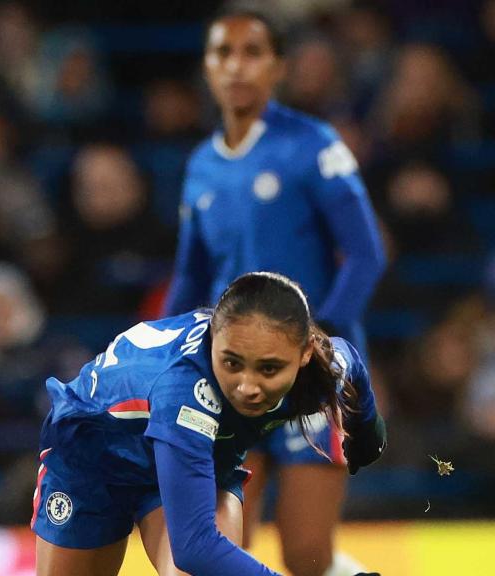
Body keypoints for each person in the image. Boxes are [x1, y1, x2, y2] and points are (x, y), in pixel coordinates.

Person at [162, 6, 387, 576]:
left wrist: (319, 345)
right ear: (206, 67)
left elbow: (365, 254)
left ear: (279, 66)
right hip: (231, 378)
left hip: (306, 380)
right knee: (219, 553)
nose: (236, 66)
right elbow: (190, 277)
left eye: (253, 52)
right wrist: (164, 355)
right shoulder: (201, 166)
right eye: (223, 52)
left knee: (305, 556)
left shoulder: (314, 145)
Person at [33, 272, 386, 576]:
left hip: (199, 454)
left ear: (306, 353)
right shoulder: (183, 389)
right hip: (91, 458)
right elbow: (195, 548)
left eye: (269, 369)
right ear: (213, 339)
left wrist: (368, 435)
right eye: (232, 363)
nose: (247, 387)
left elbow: (351, 364)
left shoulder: (325, 365)